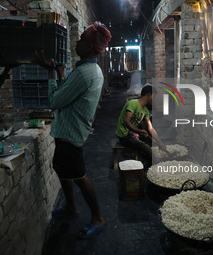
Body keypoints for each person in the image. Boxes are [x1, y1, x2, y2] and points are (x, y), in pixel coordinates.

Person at [35, 21, 111, 239]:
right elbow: (70, 92)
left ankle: (98, 217)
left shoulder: (84, 73)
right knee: (61, 168)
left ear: (88, 47)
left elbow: (56, 101)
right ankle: (70, 207)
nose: (76, 42)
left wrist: (51, 73)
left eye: (81, 40)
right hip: (72, 130)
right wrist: (60, 73)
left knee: (79, 175)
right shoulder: (91, 70)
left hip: (70, 133)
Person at [115, 84, 167, 167]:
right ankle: (154, 166)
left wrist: (160, 143)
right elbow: (126, 122)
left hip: (132, 133)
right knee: (144, 147)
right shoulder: (133, 104)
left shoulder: (145, 110)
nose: (154, 99)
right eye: (154, 96)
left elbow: (151, 128)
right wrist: (139, 131)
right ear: (148, 95)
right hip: (124, 136)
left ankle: (148, 163)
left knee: (148, 140)